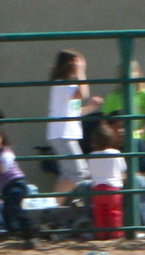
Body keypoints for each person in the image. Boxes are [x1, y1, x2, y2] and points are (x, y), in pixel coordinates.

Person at [46, 50, 103, 201]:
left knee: (68, 174)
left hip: (66, 134)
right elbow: (82, 94)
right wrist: (81, 73)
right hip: (62, 135)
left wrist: (91, 108)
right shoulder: (62, 84)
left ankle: (53, 207)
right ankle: (52, 205)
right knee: (79, 172)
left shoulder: (67, 85)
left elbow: (74, 111)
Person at [85, 122, 126, 240]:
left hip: (97, 188)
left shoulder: (92, 155)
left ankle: (101, 234)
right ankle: (116, 234)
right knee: (115, 212)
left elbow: (90, 171)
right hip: (113, 187)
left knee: (100, 213)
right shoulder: (116, 154)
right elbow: (122, 170)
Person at [0, 127, 38, 247]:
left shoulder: (6, 153)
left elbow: (3, 167)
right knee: (8, 210)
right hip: (7, 187)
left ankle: (32, 233)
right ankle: (16, 232)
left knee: (14, 208)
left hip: (16, 183)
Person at [102, 61, 145, 144]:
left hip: (139, 137)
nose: (128, 75)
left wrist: (143, 130)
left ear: (138, 74)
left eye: (132, 72)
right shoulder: (113, 96)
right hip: (119, 139)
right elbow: (105, 119)